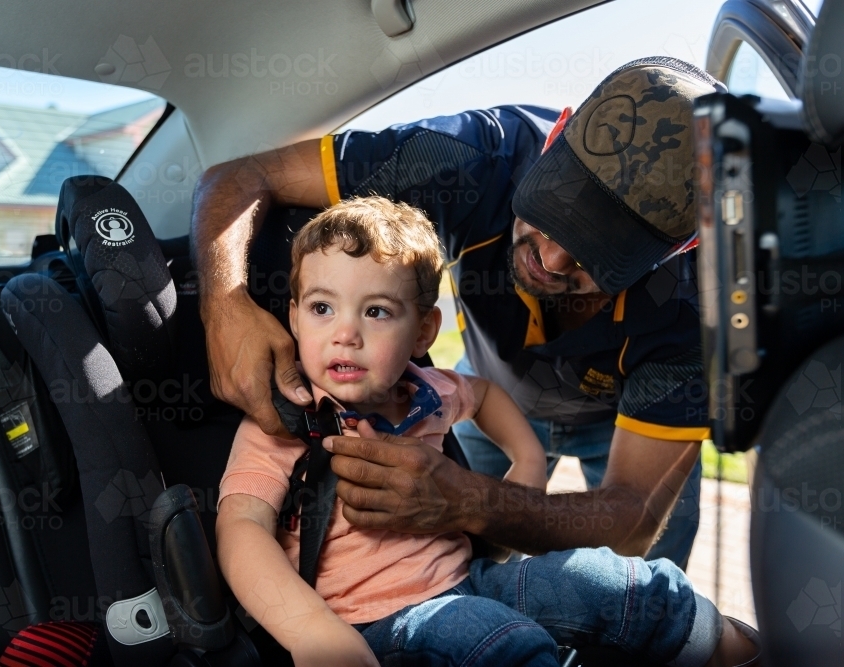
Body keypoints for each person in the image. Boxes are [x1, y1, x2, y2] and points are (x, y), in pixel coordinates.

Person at [192, 57, 716, 567]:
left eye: (597, 254)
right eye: (554, 213)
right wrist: (225, 305)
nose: (550, 260)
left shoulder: (693, 304)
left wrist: (469, 501)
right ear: (555, 137)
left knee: (645, 593)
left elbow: (631, 523)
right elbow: (239, 178)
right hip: (488, 389)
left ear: (678, 250)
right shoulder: (471, 157)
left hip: (623, 424)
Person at [214, 197, 758, 666]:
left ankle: (739, 649)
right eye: (322, 308)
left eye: (377, 311)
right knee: (502, 642)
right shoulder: (284, 422)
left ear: (424, 329)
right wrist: (309, 630)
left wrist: (528, 461)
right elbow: (241, 531)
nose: (346, 334)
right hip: (369, 626)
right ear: (292, 316)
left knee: (614, 581)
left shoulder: (429, 390)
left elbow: (486, 396)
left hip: (469, 580)